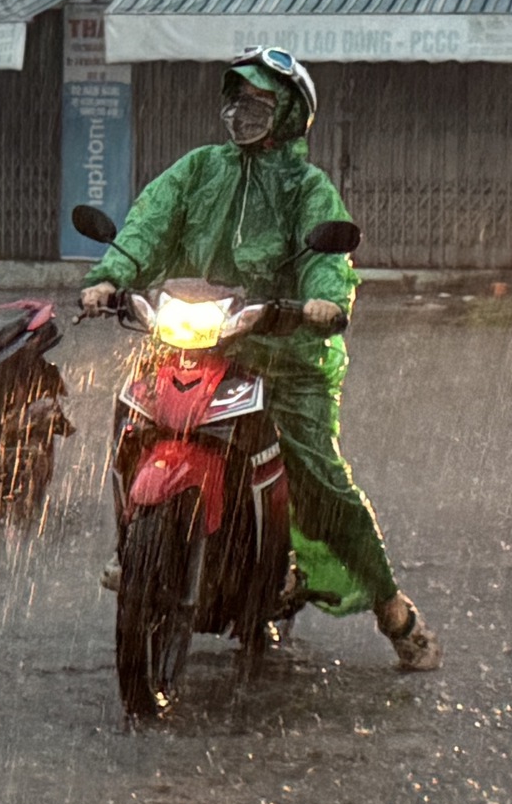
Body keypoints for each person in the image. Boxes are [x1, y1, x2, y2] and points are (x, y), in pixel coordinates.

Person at [80, 48, 438, 670]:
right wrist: (112, 276)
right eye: (238, 100)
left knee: (320, 479)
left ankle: (390, 608)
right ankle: (133, 544)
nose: (243, 113)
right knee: (133, 416)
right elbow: (147, 224)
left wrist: (323, 300)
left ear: (292, 112)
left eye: (260, 102)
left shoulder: (307, 187)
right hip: (194, 334)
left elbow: (328, 253)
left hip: (281, 347)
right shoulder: (199, 169)